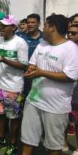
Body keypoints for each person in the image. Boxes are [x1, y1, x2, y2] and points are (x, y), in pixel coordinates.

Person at [21, 14, 78, 155]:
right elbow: (32, 63)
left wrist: (41, 72)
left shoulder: (71, 48)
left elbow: (70, 76)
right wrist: (31, 69)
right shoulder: (42, 44)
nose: (43, 28)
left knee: (54, 146)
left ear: (52, 27)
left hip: (56, 107)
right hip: (33, 101)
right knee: (28, 141)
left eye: (45, 25)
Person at [0, 15, 28, 155]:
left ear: (14, 28)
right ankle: (1, 139)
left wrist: (3, 59)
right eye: (1, 25)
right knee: (1, 115)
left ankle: (13, 144)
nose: (1, 28)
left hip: (15, 87)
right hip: (0, 85)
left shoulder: (20, 43)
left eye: (5, 26)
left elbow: (24, 65)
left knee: (14, 118)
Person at [64, 24, 78, 154]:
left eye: (74, 33)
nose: (70, 35)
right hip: (65, 90)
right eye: (69, 33)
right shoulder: (65, 48)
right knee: (64, 117)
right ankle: (63, 142)